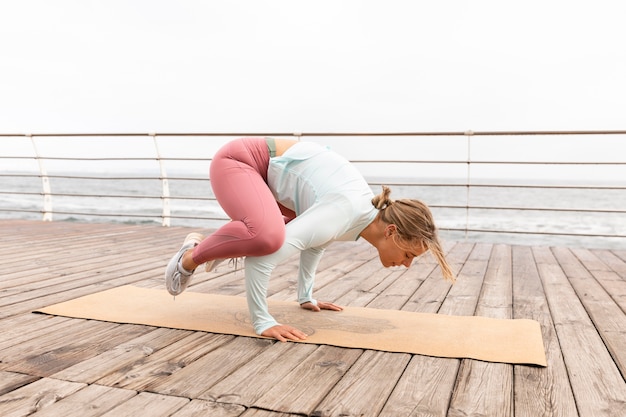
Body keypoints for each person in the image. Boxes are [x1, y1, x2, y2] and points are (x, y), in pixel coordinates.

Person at [165, 137, 454, 342]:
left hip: (267, 182)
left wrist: (306, 296)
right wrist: (263, 322)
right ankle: (190, 257)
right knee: (267, 239)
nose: (406, 265)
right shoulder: (346, 210)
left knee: (277, 233)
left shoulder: (361, 217)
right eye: (409, 255)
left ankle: (231, 241)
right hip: (239, 162)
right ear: (391, 232)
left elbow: (316, 243)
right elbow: (263, 259)